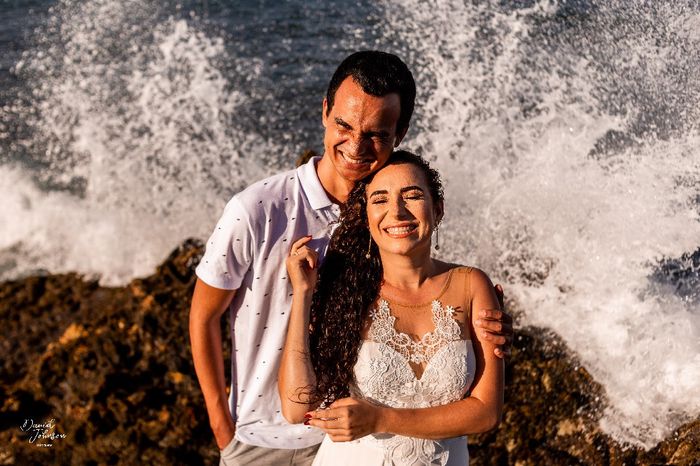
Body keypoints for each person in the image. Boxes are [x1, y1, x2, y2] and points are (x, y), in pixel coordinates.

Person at [189, 51, 512, 466]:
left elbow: (415, 292)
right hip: (264, 437)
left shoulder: (386, 210)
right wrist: (222, 427)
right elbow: (203, 316)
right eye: (344, 124)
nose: (356, 146)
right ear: (325, 112)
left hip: (354, 443)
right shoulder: (256, 209)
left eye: (376, 133)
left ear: (400, 132)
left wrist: (481, 317)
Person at [280, 150, 503, 465]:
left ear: (437, 209)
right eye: (380, 200)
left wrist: (380, 419)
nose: (396, 212)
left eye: (411, 196)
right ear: (367, 216)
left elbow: (486, 413)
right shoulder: (347, 293)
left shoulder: (471, 285)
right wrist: (303, 294)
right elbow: (295, 408)